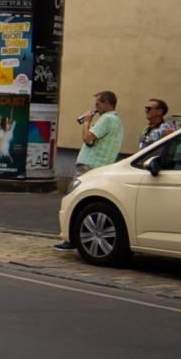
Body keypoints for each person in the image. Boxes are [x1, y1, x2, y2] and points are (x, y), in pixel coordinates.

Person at [54, 91, 124, 251]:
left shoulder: (107, 119)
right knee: (89, 205)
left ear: (107, 103)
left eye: (98, 104)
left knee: (74, 202)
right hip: (101, 166)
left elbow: (88, 138)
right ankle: (79, 237)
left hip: (90, 166)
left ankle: (71, 238)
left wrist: (86, 121)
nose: (96, 107)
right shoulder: (117, 121)